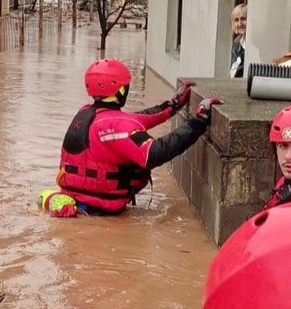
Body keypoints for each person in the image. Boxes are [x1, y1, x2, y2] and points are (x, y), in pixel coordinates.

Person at [56, 58, 222, 215]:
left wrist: (173, 105)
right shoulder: (117, 125)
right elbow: (155, 153)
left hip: (76, 199)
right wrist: (198, 122)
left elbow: (137, 119)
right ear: (121, 90)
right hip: (101, 208)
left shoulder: (86, 113)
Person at [229, 4, 247, 78]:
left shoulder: (254, 43)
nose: (240, 24)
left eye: (243, 19)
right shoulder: (237, 42)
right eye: (236, 20)